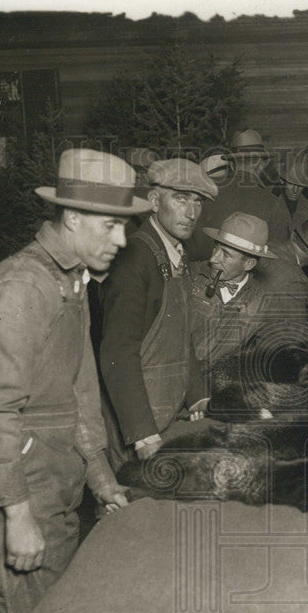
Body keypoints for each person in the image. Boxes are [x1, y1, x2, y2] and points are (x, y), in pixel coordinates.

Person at [0, 149, 143, 613]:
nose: (120, 242)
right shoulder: (19, 287)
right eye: (110, 227)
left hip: (51, 493)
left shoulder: (70, 281)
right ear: (71, 217)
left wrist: (101, 479)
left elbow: (78, 395)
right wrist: (17, 516)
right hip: (11, 497)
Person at [100, 157, 217, 465]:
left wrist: (200, 397)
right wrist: (143, 434)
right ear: (153, 201)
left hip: (170, 413)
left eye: (198, 202)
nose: (192, 213)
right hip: (137, 425)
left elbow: (180, 340)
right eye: (181, 200)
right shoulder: (135, 258)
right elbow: (118, 352)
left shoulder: (177, 251)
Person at [189, 212, 307, 369]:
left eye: (226, 254)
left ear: (249, 264)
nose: (214, 259)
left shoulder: (262, 301)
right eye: (216, 248)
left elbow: (266, 354)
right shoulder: (189, 275)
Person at [187, 129, 293, 261]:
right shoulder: (273, 204)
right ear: (262, 164)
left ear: (231, 164)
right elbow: (279, 257)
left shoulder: (204, 194)